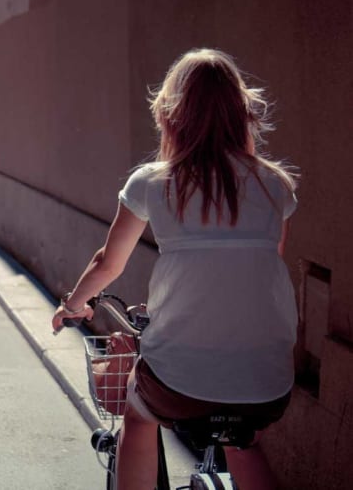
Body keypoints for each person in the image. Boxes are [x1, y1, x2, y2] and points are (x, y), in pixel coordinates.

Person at [51, 48, 298, 490]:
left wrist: (74, 304)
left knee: (138, 417)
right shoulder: (274, 184)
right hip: (268, 380)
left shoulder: (154, 181)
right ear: (242, 113)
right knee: (244, 441)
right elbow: (263, 271)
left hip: (180, 382)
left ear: (171, 115)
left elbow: (108, 263)